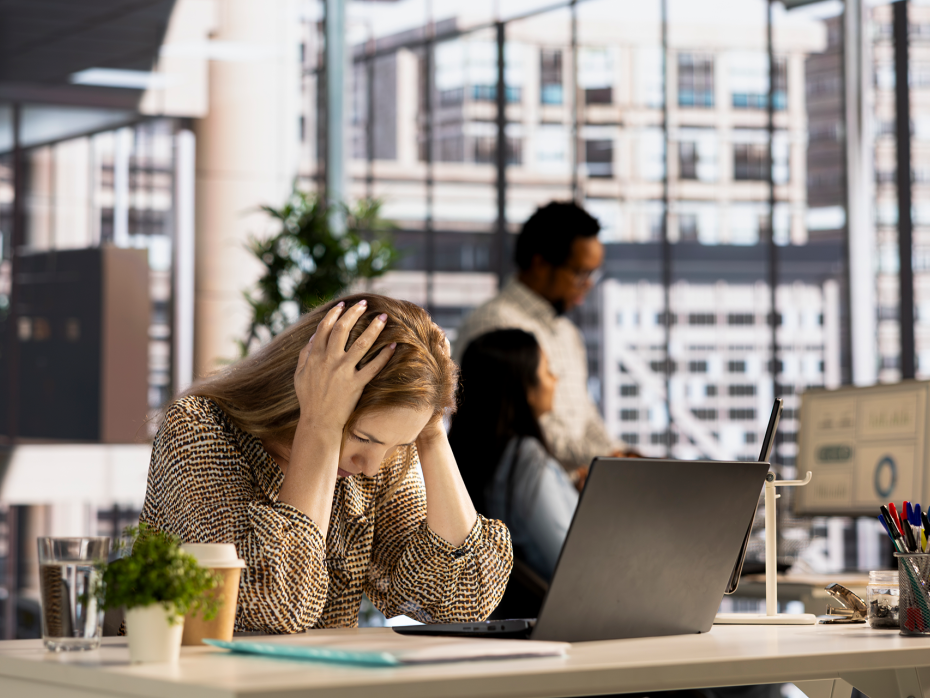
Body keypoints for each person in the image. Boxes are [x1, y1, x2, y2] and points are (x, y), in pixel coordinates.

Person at [139, 295, 513, 634]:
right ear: (304, 388)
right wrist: (319, 424)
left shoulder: (374, 465)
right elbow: (276, 605)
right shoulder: (198, 427)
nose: (371, 466)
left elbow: (460, 604)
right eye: (364, 439)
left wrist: (429, 430)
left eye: (396, 445)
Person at [453, 201, 627, 476]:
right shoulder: (496, 326)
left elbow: (585, 416)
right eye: (581, 273)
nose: (589, 283)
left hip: (571, 483)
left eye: (594, 273)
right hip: (525, 495)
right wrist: (608, 460)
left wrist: (621, 453)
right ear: (540, 263)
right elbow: (525, 431)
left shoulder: (567, 332)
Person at [449, 329, 577, 583]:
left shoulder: (477, 458)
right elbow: (573, 563)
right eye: (547, 370)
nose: (555, 379)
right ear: (526, 389)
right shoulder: (526, 460)